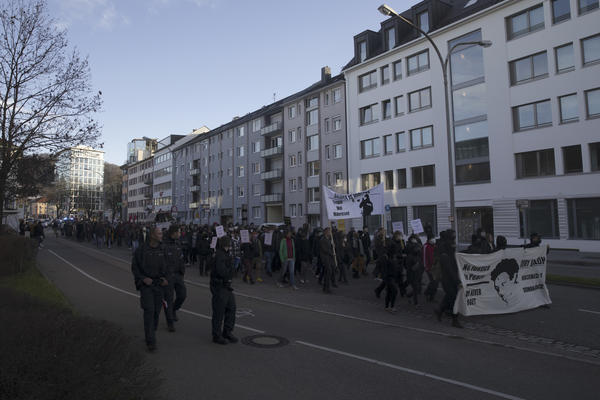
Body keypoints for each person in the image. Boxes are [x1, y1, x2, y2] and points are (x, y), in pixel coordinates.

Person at [131, 227, 170, 351]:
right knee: (149, 310)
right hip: (147, 285)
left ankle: (151, 331)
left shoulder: (163, 249)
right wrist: (142, 279)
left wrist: (166, 278)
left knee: (156, 312)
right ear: (152, 235)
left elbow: (169, 266)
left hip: (159, 285)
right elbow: (135, 267)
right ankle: (150, 341)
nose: (161, 235)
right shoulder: (141, 250)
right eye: (159, 233)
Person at [210, 236, 237, 345]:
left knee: (231, 308)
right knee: (219, 312)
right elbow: (222, 271)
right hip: (219, 286)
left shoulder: (226, 254)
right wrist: (231, 270)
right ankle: (217, 335)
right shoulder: (220, 255)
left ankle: (227, 331)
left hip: (226, 286)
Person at [434, 230, 463, 328]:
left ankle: (440, 310)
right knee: (453, 297)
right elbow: (449, 269)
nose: (454, 244)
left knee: (451, 297)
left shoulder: (450, 252)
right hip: (447, 279)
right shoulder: (445, 254)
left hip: (451, 278)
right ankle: (454, 319)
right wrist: (457, 281)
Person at [163, 225, 187, 325]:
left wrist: (182, 270)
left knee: (182, 295)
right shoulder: (164, 244)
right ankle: (170, 322)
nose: (180, 233)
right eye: (179, 232)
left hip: (178, 275)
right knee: (168, 299)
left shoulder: (178, 243)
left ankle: (173, 309)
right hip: (168, 276)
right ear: (174, 233)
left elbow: (181, 258)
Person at [319, 227, 336, 294]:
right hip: (325, 258)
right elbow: (325, 250)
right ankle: (327, 288)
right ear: (325, 232)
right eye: (329, 231)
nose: (330, 233)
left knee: (328, 273)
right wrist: (332, 253)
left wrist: (332, 246)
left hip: (329, 258)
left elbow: (330, 248)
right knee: (328, 272)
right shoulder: (322, 240)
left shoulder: (329, 239)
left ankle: (325, 287)